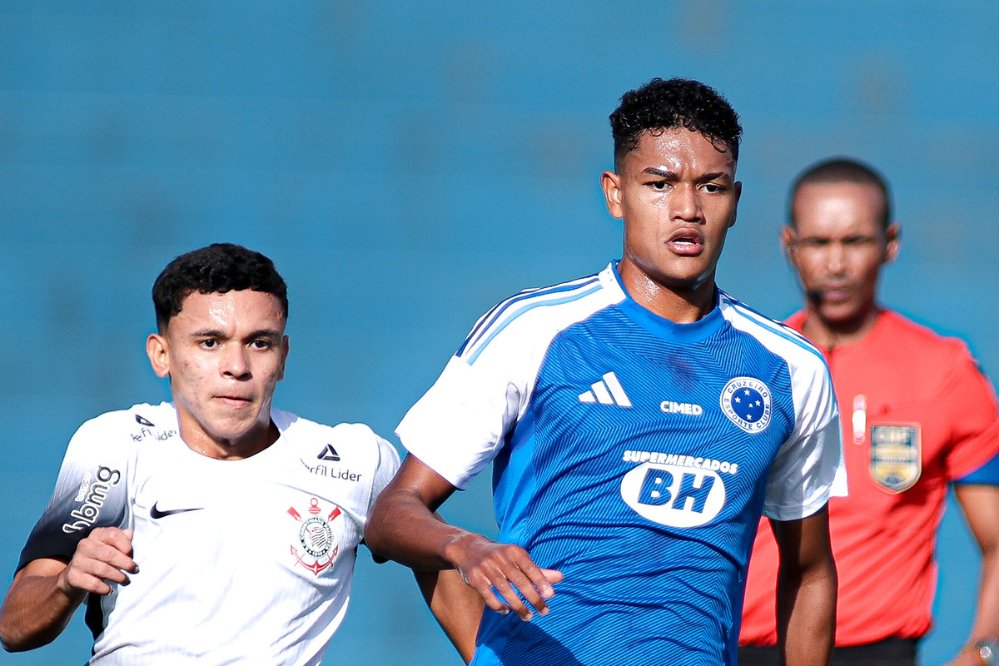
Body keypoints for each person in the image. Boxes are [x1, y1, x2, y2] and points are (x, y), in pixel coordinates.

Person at [364, 78, 845, 665]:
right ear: (615, 193)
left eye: (711, 187)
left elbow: (810, 569)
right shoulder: (533, 330)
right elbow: (391, 515)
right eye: (660, 184)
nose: (687, 209)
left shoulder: (790, 368)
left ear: (736, 201)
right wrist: (466, 549)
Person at [0, 243, 476, 664]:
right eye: (210, 342)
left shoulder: (355, 462)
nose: (237, 367)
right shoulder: (117, 445)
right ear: (161, 354)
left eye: (259, 343)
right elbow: (14, 628)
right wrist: (66, 585)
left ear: (283, 357)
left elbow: (443, 572)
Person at [739, 158, 999, 665]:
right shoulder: (751, 370)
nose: (836, 264)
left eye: (855, 242)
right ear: (789, 245)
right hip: (749, 651)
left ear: (890, 243)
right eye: (817, 243)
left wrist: (983, 650)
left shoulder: (944, 371)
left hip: (878, 652)